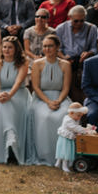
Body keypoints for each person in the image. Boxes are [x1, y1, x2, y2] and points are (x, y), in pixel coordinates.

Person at [0, 36, 31, 164]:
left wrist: (10, 95)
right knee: (2, 105)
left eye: (10, 47)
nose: (6, 50)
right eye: (4, 47)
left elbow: (19, 82)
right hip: (1, 94)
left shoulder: (24, 62)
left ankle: (12, 136)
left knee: (9, 104)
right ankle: (9, 134)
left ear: (16, 49)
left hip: (18, 93)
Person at [26, 34, 72, 166]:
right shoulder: (37, 64)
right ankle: (46, 155)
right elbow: (35, 87)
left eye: (50, 46)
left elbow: (66, 87)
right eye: (45, 46)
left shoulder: (65, 64)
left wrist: (58, 100)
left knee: (64, 115)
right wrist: (48, 102)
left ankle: (63, 156)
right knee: (45, 116)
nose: (47, 49)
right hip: (41, 98)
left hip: (60, 97)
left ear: (57, 47)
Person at [55, 104, 95, 172]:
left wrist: (84, 129)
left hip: (68, 138)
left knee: (63, 151)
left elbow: (77, 127)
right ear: (71, 113)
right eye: (78, 116)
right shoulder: (68, 120)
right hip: (66, 138)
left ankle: (58, 163)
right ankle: (64, 166)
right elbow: (75, 128)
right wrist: (85, 130)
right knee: (65, 152)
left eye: (80, 116)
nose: (79, 118)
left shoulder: (73, 118)